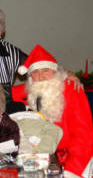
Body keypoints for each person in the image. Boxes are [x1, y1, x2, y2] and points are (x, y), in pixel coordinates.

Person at [12, 44, 93, 178]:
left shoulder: (72, 89)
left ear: (55, 72)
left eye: (46, 70)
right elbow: (3, 94)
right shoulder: (33, 89)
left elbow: (84, 135)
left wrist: (73, 169)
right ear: (30, 76)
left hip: (72, 159)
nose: (41, 77)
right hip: (39, 158)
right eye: (36, 72)